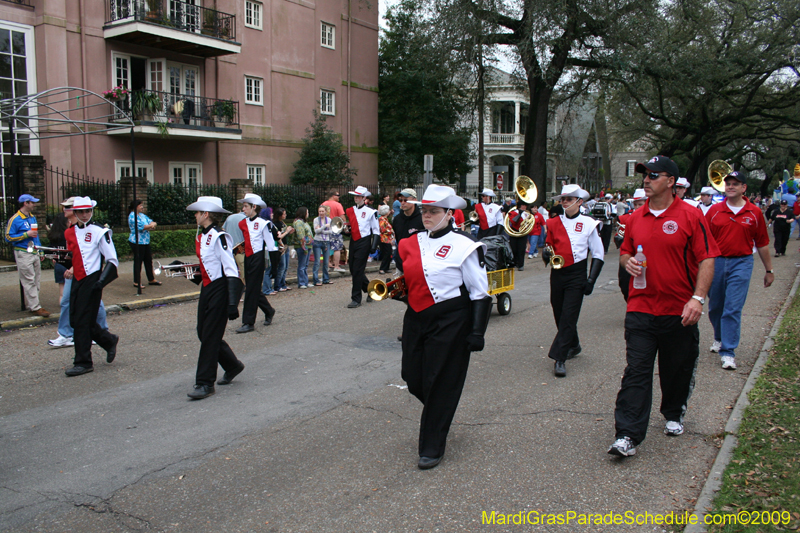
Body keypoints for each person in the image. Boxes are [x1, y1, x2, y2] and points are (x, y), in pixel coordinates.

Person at [609, 155, 719, 458]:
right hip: (641, 307)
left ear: (671, 182)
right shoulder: (635, 217)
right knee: (637, 371)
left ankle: (673, 412)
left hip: (679, 310)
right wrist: (628, 262)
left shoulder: (691, 216)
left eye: (653, 175)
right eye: (645, 175)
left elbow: (707, 258)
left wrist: (697, 299)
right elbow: (625, 252)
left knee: (676, 369)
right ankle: (627, 434)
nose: (646, 180)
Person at [398, 184, 492, 469]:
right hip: (416, 318)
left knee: (440, 381)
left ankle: (432, 446)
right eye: (424, 211)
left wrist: (477, 331)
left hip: (451, 320)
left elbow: (480, 292)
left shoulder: (466, 245)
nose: (426, 216)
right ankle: (441, 410)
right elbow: (411, 278)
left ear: (450, 214)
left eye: (434, 211)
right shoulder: (411, 242)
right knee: (412, 377)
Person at [705, 170, 773, 371]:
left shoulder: (754, 212)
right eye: (728, 184)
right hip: (717, 262)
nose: (731, 187)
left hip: (741, 262)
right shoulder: (714, 211)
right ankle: (719, 337)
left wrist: (769, 270)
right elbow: (703, 240)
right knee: (715, 306)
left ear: (744, 188)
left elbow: (762, 243)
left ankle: (728, 352)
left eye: (735, 184)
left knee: (732, 307)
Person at [179, 196, 245, 399]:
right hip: (208, 289)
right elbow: (208, 268)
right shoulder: (203, 235)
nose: (195, 216)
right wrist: (183, 270)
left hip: (220, 289)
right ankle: (232, 365)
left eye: (198, 213)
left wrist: (232, 302)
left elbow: (231, 269)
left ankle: (205, 383)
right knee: (203, 332)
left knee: (209, 336)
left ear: (205, 214)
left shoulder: (219, 237)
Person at [543, 184, 605, 378]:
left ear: (579, 202)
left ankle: (559, 358)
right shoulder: (554, 222)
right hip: (557, 273)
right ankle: (574, 344)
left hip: (577, 274)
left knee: (569, 316)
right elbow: (549, 246)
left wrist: (591, 279)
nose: (564, 202)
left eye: (568, 199)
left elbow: (598, 253)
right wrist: (546, 253)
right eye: (562, 199)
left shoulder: (589, 223)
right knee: (559, 313)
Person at [63, 196, 120, 377]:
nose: (85, 214)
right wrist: (60, 260)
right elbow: (72, 256)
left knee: (82, 322)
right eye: (81, 211)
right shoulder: (70, 232)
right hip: (77, 279)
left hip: (93, 279)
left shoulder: (99, 231)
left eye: (88, 211)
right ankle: (108, 340)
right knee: (75, 320)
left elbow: (112, 259)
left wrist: (101, 282)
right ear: (75, 212)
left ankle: (83, 362)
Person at [48, 197, 109, 348]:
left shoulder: (93, 228)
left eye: (68, 206)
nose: (65, 209)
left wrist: (75, 267)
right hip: (74, 270)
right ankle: (67, 334)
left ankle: (100, 332)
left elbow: (92, 252)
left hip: (87, 272)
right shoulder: (69, 227)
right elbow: (72, 251)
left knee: (94, 303)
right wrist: (60, 258)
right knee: (67, 301)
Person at [235, 193, 276, 334]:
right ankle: (269, 310)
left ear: (254, 207)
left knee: (250, 290)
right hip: (248, 258)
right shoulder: (242, 223)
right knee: (253, 289)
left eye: (246, 206)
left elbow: (271, 245)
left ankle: (248, 322)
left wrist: (274, 267)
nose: (243, 209)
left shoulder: (263, 223)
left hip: (258, 258)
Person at [5, 194, 49, 316]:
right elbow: (8, 237)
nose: (34, 205)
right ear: (26, 203)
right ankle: (35, 306)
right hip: (23, 252)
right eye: (32, 202)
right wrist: (25, 235)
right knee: (29, 280)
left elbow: (36, 236)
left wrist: (40, 250)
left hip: (34, 251)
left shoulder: (32, 217)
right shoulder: (15, 219)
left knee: (36, 279)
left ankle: (33, 304)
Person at [345, 186, 379, 308]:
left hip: (364, 242)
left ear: (364, 198)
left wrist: (374, 245)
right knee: (353, 269)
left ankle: (356, 299)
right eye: (355, 196)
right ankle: (370, 290)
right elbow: (352, 229)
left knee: (358, 270)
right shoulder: (351, 210)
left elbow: (376, 230)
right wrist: (344, 231)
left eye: (359, 196)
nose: (356, 198)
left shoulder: (371, 211)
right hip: (354, 241)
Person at [614, 188, 646, 302]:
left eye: (640, 204)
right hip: (629, 256)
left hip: (646, 257)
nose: (637, 207)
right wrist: (620, 238)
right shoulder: (627, 218)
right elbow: (618, 237)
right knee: (624, 284)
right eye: (635, 204)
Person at [392, 188, 425, 275]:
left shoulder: (422, 219)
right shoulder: (397, 219)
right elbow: (398, 239)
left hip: (418, 262)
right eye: (401, 200)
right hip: (401, 262)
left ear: (414, 200)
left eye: (406, 200)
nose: (403, 203)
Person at [128, 199, 160, 289]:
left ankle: (151, 279)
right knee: (138, 262)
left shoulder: (142, 215)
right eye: (140, 205)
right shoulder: (132, 216)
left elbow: (152, 222)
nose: (142, 207)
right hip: (137, 241)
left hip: (145, 241)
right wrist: (150, 226)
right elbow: (142, 227)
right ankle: (136, 281)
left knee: (148, 260)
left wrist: (151, 225)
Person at [322, 191, 346, 272]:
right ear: (333, 196)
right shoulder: (337, 205)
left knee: (327, 247)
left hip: (326, 228)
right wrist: (344, 226)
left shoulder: (323, 204)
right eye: (338, 195)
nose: (339, 197)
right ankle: (336, 266)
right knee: (337, 248)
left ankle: (328, 264)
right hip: (335, 228)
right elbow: (342, 217)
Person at [223, 206, 247, 282]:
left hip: (229, 248)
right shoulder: (246, 219)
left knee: (231, 269)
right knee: (243, 269)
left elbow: (223, 229)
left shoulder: (229, 217)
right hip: (240, 248)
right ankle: (244, 284)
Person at [506, 201, 532, 270]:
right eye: (524, 205)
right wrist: (519, 214)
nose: (525, 207)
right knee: (513, 248)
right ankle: (515, 262)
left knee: (521, 249)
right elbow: (513, 221)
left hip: (523, 233)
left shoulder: (527, 214)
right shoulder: (513, 212)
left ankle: (521, 264)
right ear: (521, 205)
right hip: (514, 232)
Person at [291, 207, 313, 289]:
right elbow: (301, 235)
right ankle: (301, 282)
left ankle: (305, 281)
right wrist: (304, 247)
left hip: (308, 245)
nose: (308, 214)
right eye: (307, 212)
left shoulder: (304, 222)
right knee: (302, 265)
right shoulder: (299, 222)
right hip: (302, 246)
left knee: (305, 265)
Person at [273, 208, 294, 292]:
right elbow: (278, 237)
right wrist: (286, 231)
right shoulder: (275, 224)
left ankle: (283, 284)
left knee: (285, 267)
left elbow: (284, 234)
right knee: (281, 266)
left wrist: (289, 232)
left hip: (286, 245)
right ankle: (277, 285)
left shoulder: (282, 223)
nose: (285, 215)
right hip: (280, 247)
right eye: (284, 214)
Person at [312, 205, 334, 286]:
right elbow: (316, 231)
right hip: (317, 242)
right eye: (319, 211)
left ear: (325, 212)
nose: (321, 213)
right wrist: (325, 226)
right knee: (317, 261)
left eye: (322, 211)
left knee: (326, 261)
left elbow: (331, 231)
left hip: (326, 242)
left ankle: (326, 279)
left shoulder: (329, 220)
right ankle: (315, 280)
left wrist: (322, 230)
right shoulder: (316, 220)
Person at [378, 205, 395, 274]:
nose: (389, 211)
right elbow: (382, 229)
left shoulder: (385, 219)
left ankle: (386, 267)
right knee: (386, 254)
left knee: (389, 253)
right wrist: (391, 231)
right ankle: (382, 268)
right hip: (384, 239)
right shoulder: (382, 220)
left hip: (387, 239)